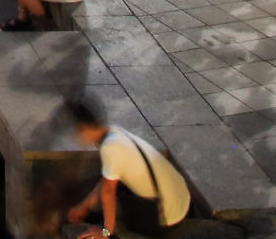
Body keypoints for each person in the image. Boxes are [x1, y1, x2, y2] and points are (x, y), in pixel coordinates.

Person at [61, 95, 199, 237]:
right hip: (181, 197)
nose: (74, 137)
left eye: (75, 132)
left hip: (168, 215)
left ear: (83, 129)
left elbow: (108, 192)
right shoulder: (115, 132)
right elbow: (107, 180)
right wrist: (85, 205)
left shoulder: (110, 149)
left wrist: (105, 233)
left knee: (114, 212)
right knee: (113, 188)